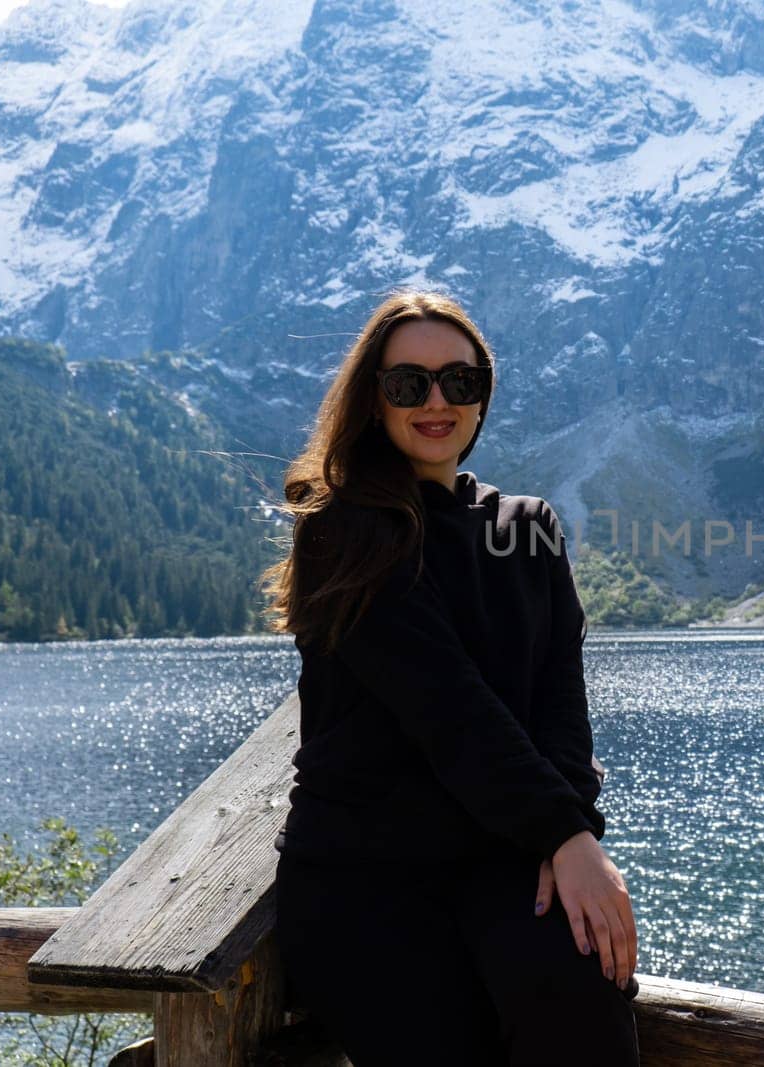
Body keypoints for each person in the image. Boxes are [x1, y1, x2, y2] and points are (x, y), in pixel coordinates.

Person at [259, 288, 641, 1064]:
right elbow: (450, 708)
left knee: (585, 995)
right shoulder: (345, 532)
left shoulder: (528, 526)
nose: (436, 402)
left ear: (482, 395)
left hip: (502, 858)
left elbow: (560, 702)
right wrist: (563, 832)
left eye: (459, 382)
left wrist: (572, 835)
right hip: (368, 878)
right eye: (409, 384)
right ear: (375, 399)